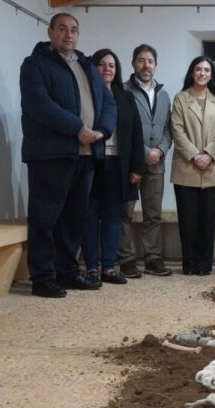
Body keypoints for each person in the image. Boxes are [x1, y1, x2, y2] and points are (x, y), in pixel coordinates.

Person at [19, 13, 116, 298]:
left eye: (73, 30)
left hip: (85, 154)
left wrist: (102, 131)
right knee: (46, 218)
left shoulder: (87, 66)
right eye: (62, 29)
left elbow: (108, 103)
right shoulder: (35, 64)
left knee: (74, 219)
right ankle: (43, 277)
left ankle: (67, 272)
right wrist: (77, 128)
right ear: (50, 32)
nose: (68, 35)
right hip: (50, 154)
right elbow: (39, 105)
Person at [81, 49, 146, 286]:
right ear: (93, 68)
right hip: (91, 161)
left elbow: (137, 133)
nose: (107, 69)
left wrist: (137, 167)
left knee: (113, 218)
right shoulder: (86, 95)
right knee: (90, 216)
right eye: (102, 65)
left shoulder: (125, 97)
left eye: (112, 65)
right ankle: (90, 268)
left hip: (119, 163)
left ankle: (109, 267)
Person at [170, 56, 215, 276]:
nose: (202, 73)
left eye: (206, 70)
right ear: (192, 73)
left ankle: (204, 266)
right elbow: (177, 131)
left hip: (211, 169)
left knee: (207, 222)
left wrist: (209, 154)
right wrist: (196, 156)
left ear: (212, 75)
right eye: (198, 69)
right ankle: (189, 265)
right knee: (188, 222)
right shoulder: (181, 99)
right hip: (187, 168)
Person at [119, 44, 173, 278]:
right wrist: (145, 152)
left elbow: (168, 130)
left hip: (156, 164)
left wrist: (160, 150)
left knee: (153, 214)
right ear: (133, 64)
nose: (146, 65)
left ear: (155, 64)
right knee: (125, 213)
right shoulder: (122, 91)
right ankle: (127, 259)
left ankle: (153, 258)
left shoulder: (163, 94)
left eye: (150, 61)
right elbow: (122, 129)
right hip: (131, 163)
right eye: (141, 60)